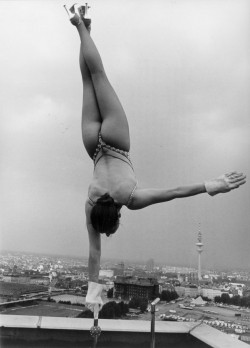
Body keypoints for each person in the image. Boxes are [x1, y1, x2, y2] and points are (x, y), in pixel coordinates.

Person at [64, 3, 246, 315]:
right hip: (92, 146)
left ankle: (80, 24)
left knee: (98, 74)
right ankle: (84, 30)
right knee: (90, 78)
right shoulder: (91, 204)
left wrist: (210, 185)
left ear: (119, 217)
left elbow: (173, 192)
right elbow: (94, 254)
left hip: (117, 142)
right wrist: (91, 298)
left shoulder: (130, 199)